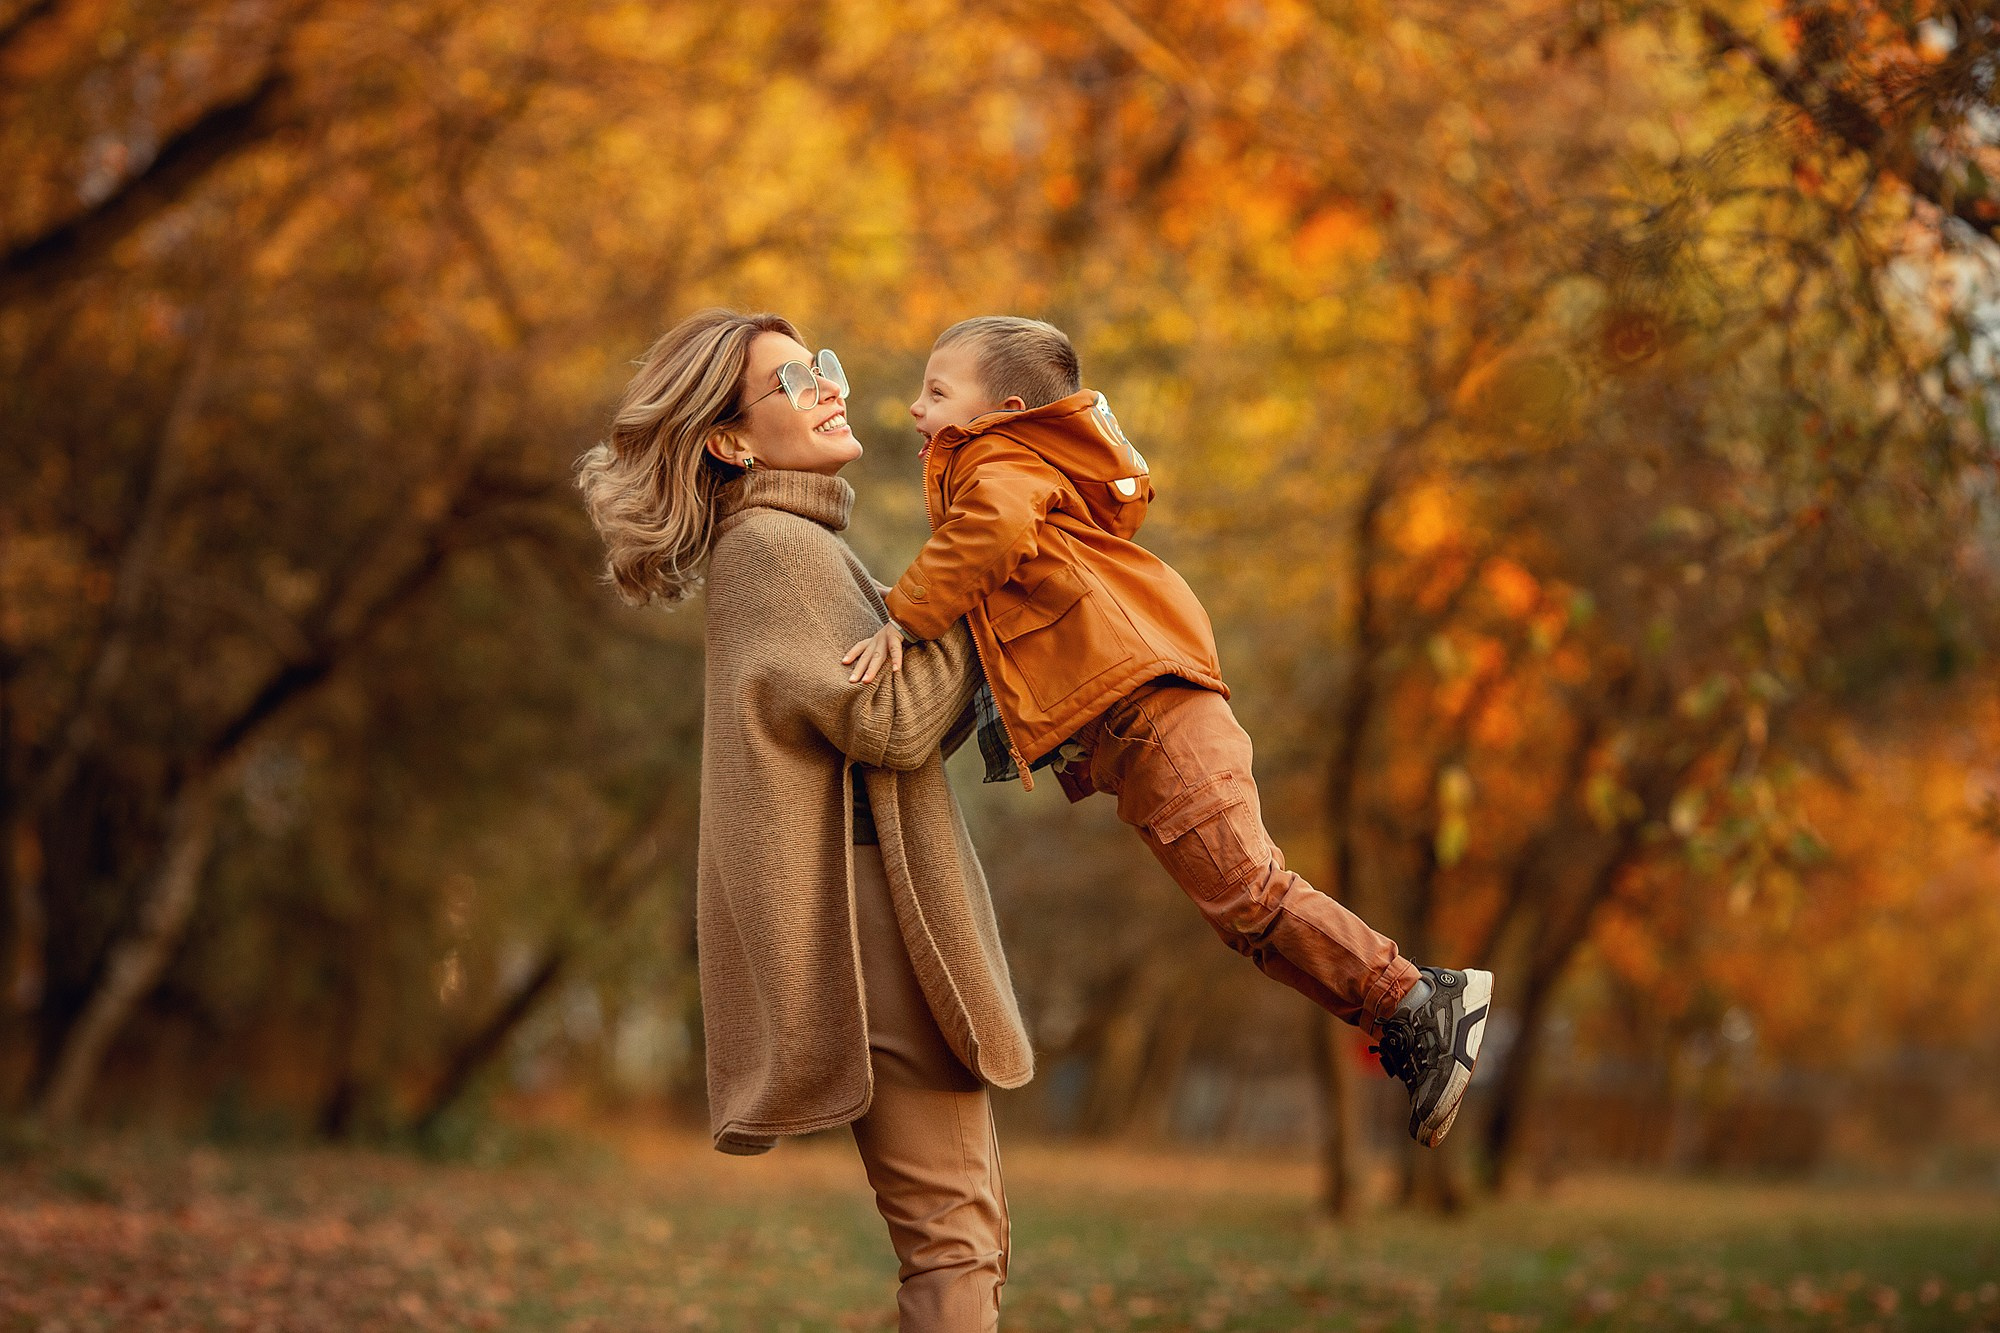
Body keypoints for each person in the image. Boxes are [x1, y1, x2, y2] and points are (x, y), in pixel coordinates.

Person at [842, 316, 1492, 1148]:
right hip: (1147, 725)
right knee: (1242, 916)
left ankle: (1418, 999)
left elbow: (992, 531)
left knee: (1252, 893)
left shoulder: (992, 459)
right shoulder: (1034, 482)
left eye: (936, 392)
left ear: (999, 409)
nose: (914, 408)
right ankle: (1405, 1015)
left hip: (1153, 712)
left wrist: (903, 615)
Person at [577, 308, 1032, 1331]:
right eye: (791, 381)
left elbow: (894, 719)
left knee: (962, 1237)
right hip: (880, 922)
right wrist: (984, 576)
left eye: (821, 364)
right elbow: (896, 722)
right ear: (731, 443)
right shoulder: (775, 549)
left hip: (878, 909)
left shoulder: (799, 545)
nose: (826, 384)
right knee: (954, 1242)